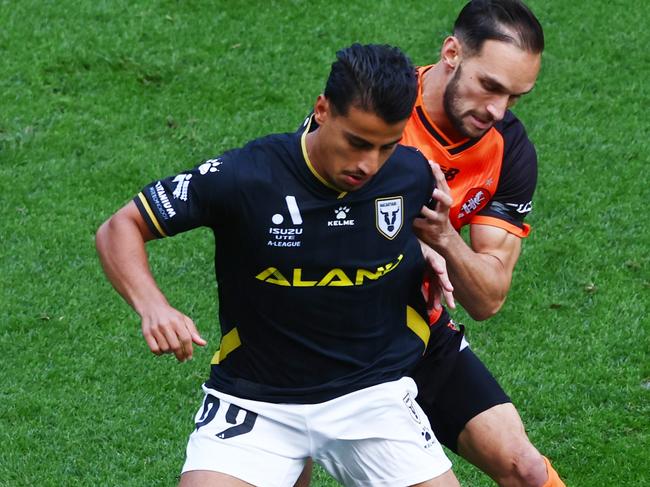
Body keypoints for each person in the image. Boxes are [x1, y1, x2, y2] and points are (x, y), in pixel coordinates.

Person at [96, 43, 461, 486]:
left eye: (386, 146)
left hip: (371, 394)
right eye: (357, 142)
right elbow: (120, 227)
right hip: (256, 400)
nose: (369, 164)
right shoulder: (246, 176)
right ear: (322, 110)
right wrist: (152, 306)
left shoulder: (410, 175)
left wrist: (427, 253)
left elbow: (392, 234)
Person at [293, 1, 564, 487]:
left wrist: (443, 239)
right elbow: (308, 231)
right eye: (490, 86)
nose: (497, 110)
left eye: (515, 97)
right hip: (316, 333)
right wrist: (417, 249)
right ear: (452, 52)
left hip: (416, 330)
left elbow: (488, 297)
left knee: (527, 470)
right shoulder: (378, 104)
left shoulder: (509, 151)